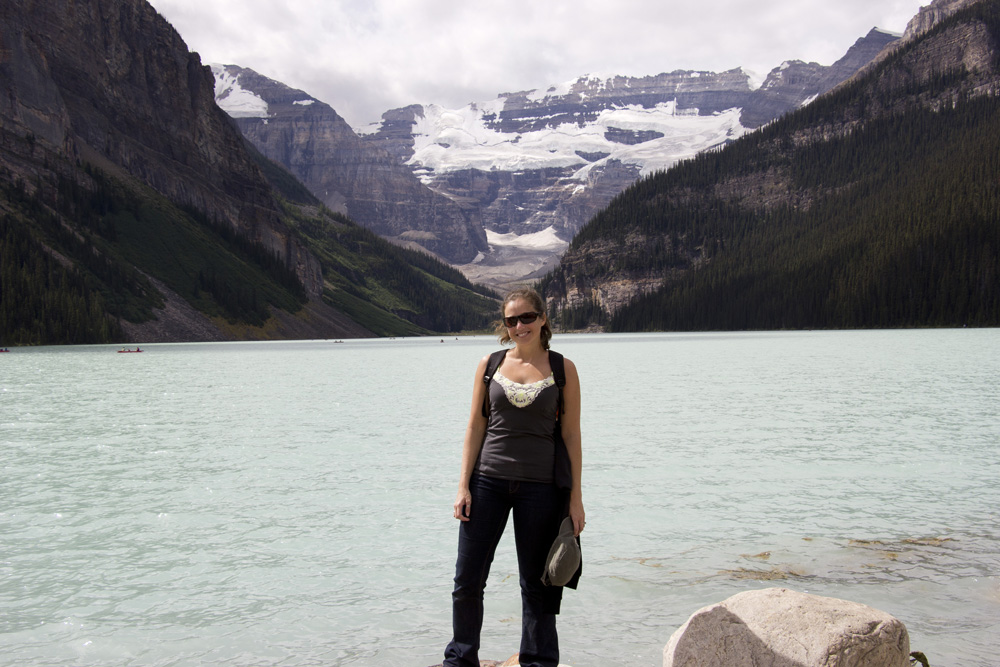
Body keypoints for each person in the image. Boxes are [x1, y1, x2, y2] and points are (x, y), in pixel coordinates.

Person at [444, 288, 585, 667]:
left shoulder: (562, 368)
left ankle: (538, 661)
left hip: (541, 488)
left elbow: (571, 435)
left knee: (538, 583)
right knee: (467, 580)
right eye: (511, 320)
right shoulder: (489, 364)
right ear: (504, 326)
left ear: (542, 319)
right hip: (487, 482)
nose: (519, 326)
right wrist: (462, 486)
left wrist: (576, 499)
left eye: (526, 317)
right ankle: (460, 658)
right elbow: (475, 426)